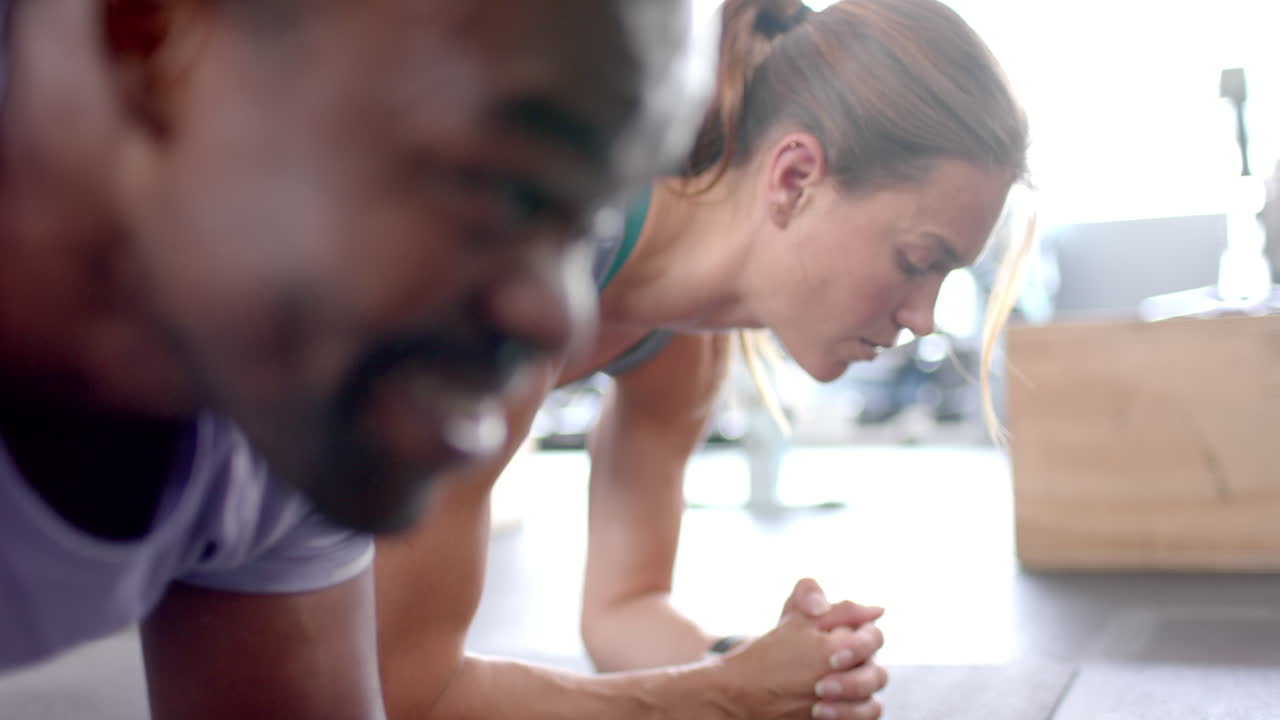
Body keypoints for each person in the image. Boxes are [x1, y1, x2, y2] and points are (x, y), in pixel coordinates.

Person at [0, 0, 714, 717]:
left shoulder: (294, 381)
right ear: (157, 36)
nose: (560, 317)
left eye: (585, 220)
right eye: (498, 186)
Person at [373, 1, 1029, 719]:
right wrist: (722, 696)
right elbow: (410, 692)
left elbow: (624, 609)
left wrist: (768, 674)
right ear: (794, 178)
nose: (924, 318)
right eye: (917, 260)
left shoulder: (681, 347)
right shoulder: (515, 271)